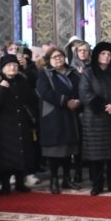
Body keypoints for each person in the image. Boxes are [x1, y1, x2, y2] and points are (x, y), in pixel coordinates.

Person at [78, 41, 111, 195]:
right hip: (94, 119)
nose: (107, 56)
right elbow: (85, 93)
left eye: (109, 54)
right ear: (97, 55)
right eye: (103, 53)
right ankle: (97, 184)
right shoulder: (88, 73)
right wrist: (102, 106)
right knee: (96, 157)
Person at [0, 53, 38, 194]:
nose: (13, 68)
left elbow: (30, 100)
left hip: (21, 122)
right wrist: (2, 89)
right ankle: (5, 184)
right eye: (9, 66)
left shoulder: (22, 81)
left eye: (15, 66)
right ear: (3, 68)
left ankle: (20, 182)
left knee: (22, 153)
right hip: (3, 125)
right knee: (5, 156)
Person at [37, 47, 81, 194]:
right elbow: (45, 92)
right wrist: (65, 101)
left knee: (69, 149)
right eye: (54, 57)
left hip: (70, 115)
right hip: (53, 115)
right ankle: (54, 179)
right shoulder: (45, 74)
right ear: (49, 60)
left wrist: (78, 101)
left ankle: (67, 179)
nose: (58, 59)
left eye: (60, 56)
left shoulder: (73, 73)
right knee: (55, 150)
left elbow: (81, 89)